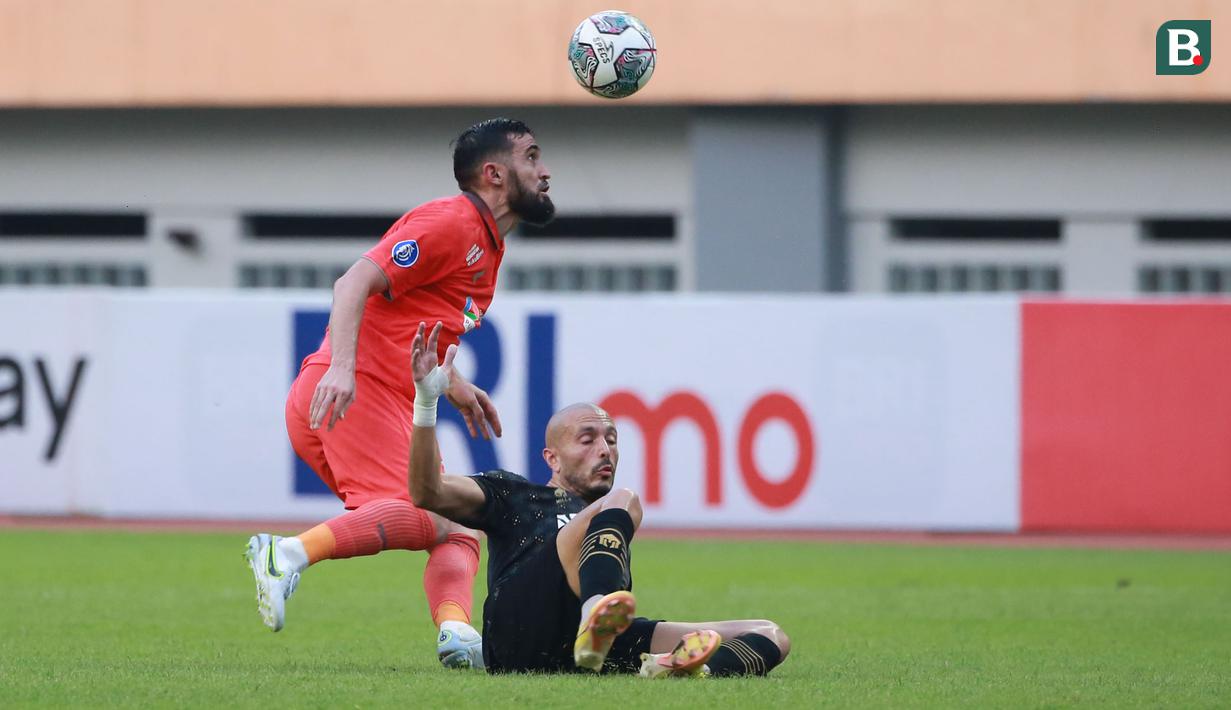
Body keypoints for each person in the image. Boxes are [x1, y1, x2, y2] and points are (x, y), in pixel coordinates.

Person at [243, 118, 555, 670]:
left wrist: (454, 384)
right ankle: (285, 553)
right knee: (431, 509)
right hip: (352, 395)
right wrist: (342, 368)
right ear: (495, 174)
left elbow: (410, 325)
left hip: (380, 399)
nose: (545, 170)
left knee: (459, 525)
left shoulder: (486, 244)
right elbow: (352, 282)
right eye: (532, 157)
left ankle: (458, 635)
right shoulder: (452, 222)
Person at [405, 321, 792, 676]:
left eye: (611, 439)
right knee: (622, 500)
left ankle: (678, 671)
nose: (605, 450)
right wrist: (426, 402)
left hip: (589, 650)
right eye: (587, 439)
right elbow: (426, 490)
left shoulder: (609, 518)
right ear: (551, 458)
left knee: (770, 634)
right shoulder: (515, 494)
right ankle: (596, 617)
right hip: (518, 636)